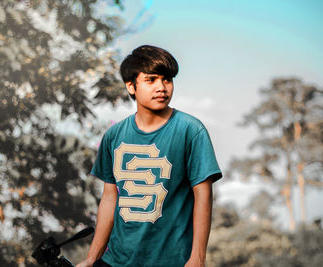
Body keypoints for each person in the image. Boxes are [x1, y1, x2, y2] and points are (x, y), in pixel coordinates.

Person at [77, 45, 222, 267]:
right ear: (131, 86)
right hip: (116, 260)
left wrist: (198, 258)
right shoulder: (114, 136)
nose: (162, 87)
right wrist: (92, 258)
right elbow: (109, 197)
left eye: (167, 80)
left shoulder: (191, 130)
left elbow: (203, 195)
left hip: (171, 260)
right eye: (151, 80)